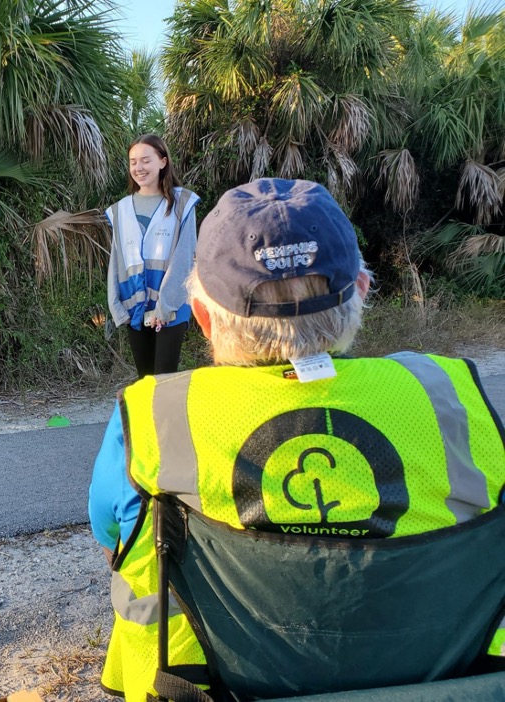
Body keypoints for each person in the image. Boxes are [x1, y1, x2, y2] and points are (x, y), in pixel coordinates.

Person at [88, 178, 505, 702]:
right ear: (361, 290)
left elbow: (112, 537)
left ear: (202, 317)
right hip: (450, 686)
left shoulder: (153, 415)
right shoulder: (453, 398)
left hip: (199, 689)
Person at [106, 134, 200, 378]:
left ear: (162, 162)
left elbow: (185, 256)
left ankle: (168, 419)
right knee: (145, 381)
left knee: (164, 379)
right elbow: (116, 262)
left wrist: (165, 306)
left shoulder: (183, 203)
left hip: (171, 305)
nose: (139, 168)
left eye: (146, 160)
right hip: (134, 307)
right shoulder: (119, 210)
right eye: (133, 161)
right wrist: (116, 306)